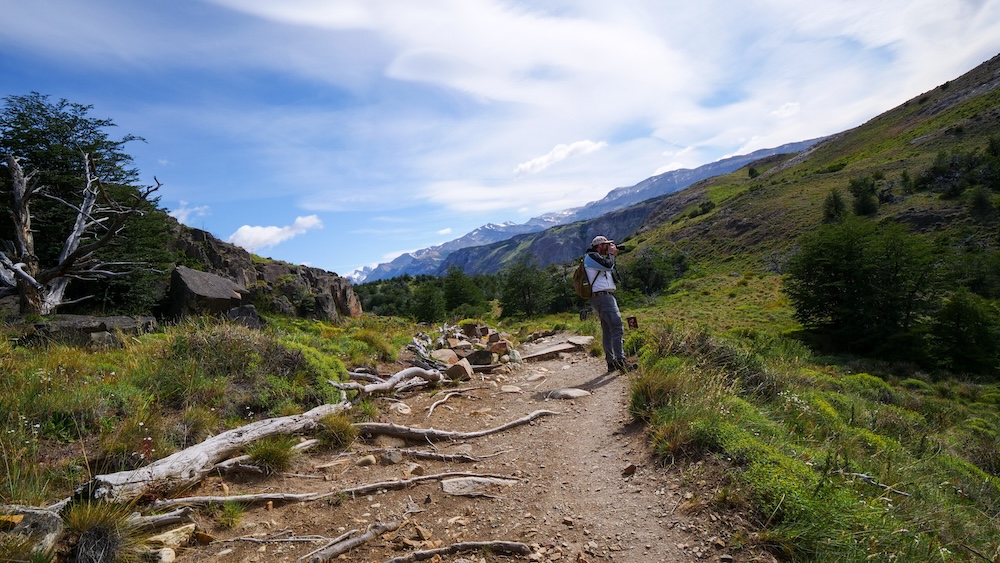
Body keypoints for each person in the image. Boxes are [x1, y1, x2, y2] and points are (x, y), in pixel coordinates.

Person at [584, 235, 629, 373]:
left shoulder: (595, 258)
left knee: (608, 330)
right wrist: (611, 254)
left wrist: (611, 254)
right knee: (617, 326)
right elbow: (608, 266)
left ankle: (612, 362)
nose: (608, 247)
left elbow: (608, 267)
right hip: (603, 297)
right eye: (606, 245)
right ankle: (620, 361)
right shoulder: (592, 256)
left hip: (601, 297)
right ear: (599, 245)